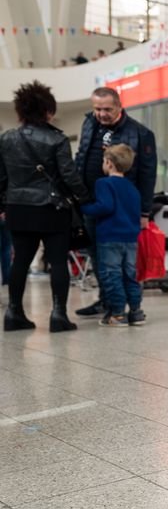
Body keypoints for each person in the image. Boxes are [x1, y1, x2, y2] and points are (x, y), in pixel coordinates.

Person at [0, 81, 90, 332]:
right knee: (58, 261)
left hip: (18, 207)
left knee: (20, 262)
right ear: (47, 111)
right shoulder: (57, 139)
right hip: (52, 208)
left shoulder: (6, 139)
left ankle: (13, 313)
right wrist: (85, 199)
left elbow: (1, 178)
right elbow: (69, 176)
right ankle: (58, 315)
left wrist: (3, 203)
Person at [74, 86, 157, 317]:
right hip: (92, 203)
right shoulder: (89, 123)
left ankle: (118, 307)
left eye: (107, 109)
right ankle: (106, 299)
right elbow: (81, 156)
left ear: (119, 106)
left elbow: (147, 176)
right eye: (97, 108)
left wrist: (144, 213)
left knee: (120, 264)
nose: (101, 114)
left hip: (120, 210)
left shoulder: (140, 133)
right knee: (97, 257)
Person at [80, 144, 144, 327]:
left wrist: (84, 208)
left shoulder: (103, 183)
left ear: (108, 163)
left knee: (111, 275)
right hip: (130, 238)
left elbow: (105, 206)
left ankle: (117, 314)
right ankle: (136, 312)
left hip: (109, 236)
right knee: (130, 275)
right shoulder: (132, 188)